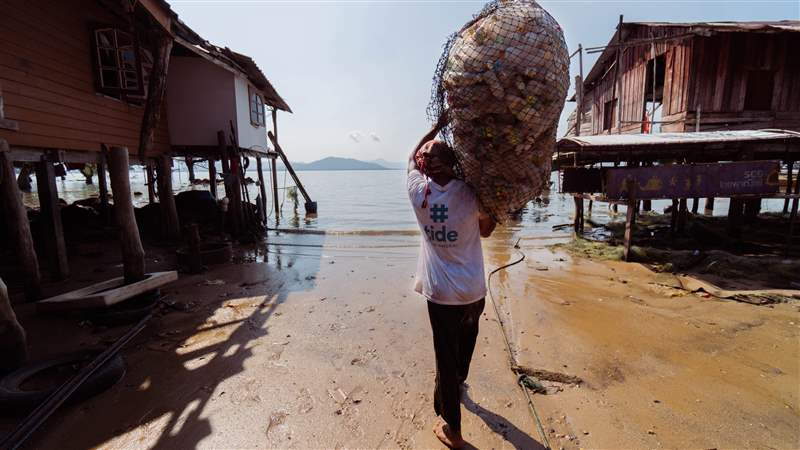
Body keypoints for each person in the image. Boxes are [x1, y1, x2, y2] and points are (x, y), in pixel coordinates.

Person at [407, 113, 496, 448]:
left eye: (427, 154)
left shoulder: (418, 192)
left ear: (431, 165)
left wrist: (432, 128)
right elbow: (486, 230)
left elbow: (410, 159)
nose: (422, 156)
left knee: (445, 357)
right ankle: (457, 383)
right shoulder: (472, 194)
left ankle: (452, 430)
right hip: (473, 291)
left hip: (442, 295)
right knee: (465, 345)